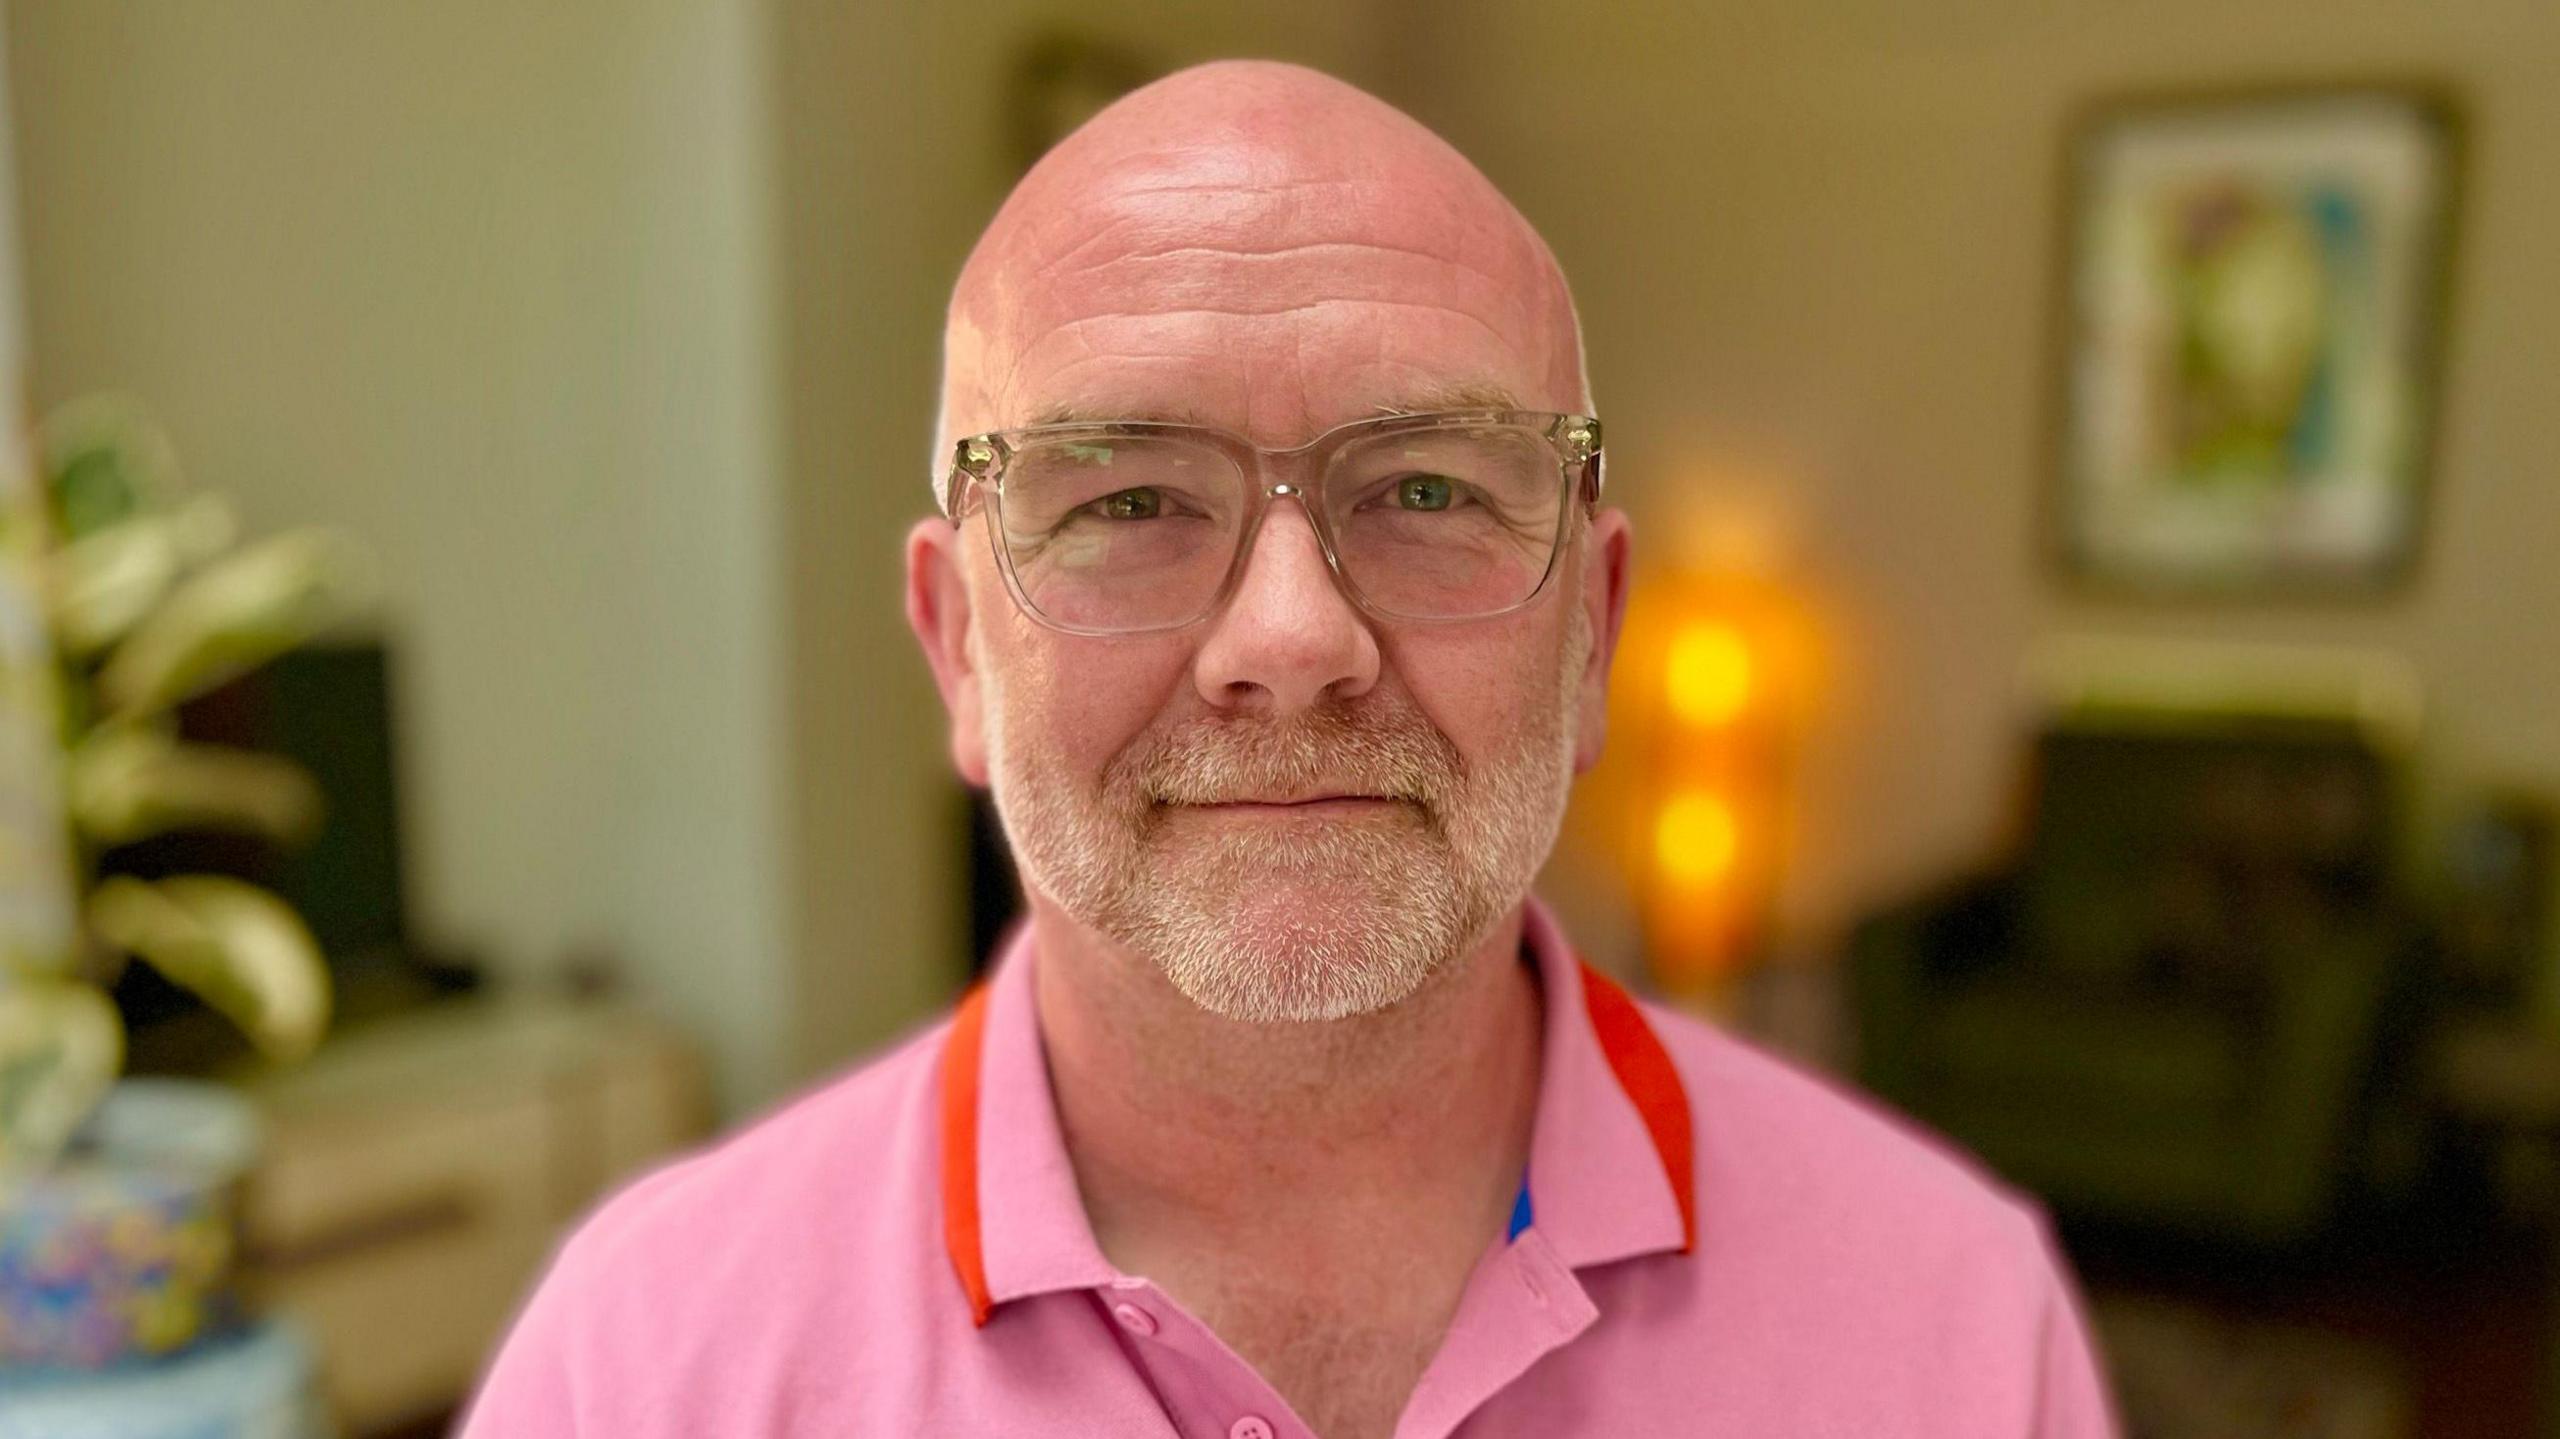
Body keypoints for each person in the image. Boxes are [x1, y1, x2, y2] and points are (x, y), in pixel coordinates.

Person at [460, 59, 2117, 1438]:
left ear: (1595, 628)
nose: (1293, 643)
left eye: (1426, 490)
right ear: (960, 644)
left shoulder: (1962, 1324)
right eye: (1124, 498)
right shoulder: (642, 1371)